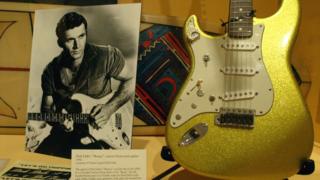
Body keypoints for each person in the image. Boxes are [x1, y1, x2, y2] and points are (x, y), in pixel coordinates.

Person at [32, 12, 134, 158]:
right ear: (60, 42)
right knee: (38, 159)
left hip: (103, 132)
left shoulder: (106, 55)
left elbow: (130, 80)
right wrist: (59, 122)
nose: (77, 45)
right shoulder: (50, 71)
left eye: (81, 36)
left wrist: (109, 109)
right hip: (67, 133)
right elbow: (46, 110)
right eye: (70, 40)